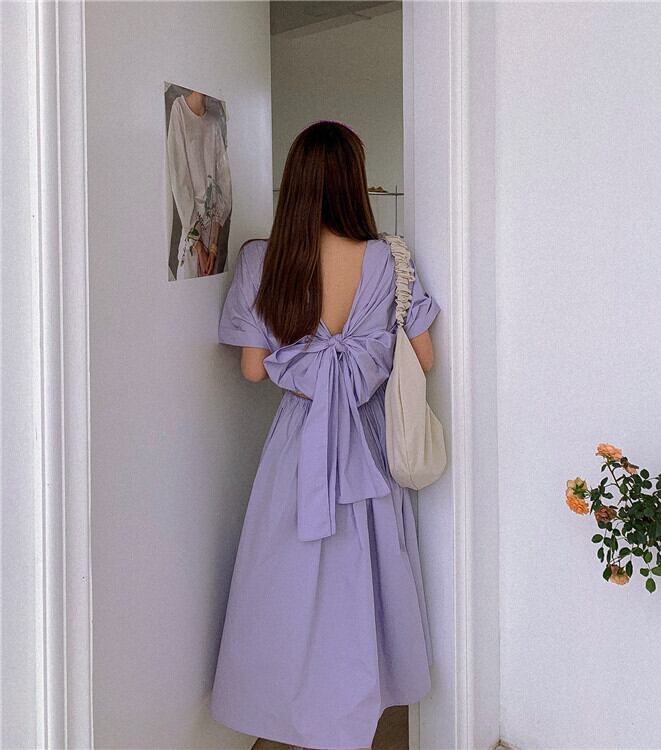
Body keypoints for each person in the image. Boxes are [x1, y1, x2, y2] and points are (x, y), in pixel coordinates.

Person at [210, 120, 441, 750]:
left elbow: (253, 369)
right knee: (364, 579)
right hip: (367, 441)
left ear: (293, 182)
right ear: (354, 181)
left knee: (287, 580)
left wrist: (310, 357)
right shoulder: (389, 259)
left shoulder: (262, 260)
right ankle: (357, 713)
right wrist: (362, 354)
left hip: (299, 440)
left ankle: (294, 713)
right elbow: (422, 358)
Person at [166, 90, 232, 280]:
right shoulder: (179, 110)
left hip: (213, 243)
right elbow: (180, 181)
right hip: (193, 242)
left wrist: (213, 247)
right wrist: (199, 247)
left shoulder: (214, 122)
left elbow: (223, 183)